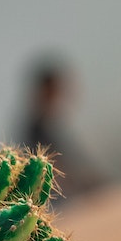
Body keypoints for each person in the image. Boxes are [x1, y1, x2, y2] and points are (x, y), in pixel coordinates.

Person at [14, 57, 105, 199]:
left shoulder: (43, 123)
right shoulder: (37, 127)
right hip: (53, 199)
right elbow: (54, 168)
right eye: (55, 89)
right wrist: (82, 185)